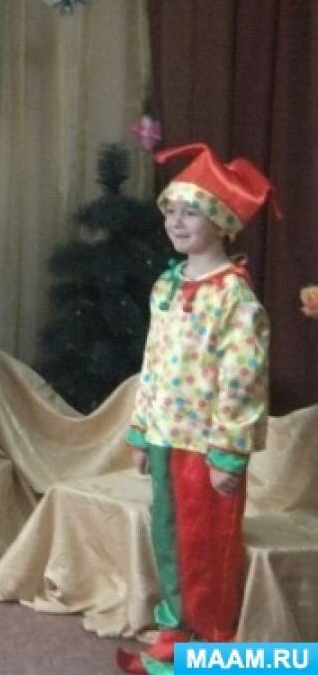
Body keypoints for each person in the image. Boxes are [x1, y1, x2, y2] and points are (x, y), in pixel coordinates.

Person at [116, 143, 276, 675]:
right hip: (165, 435)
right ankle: (175, 629)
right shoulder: (168, 283)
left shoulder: (235, 298)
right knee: (168, 538)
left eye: (191, 212)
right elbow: (153, 362)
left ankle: (210, 646)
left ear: (222, 222)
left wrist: (229, 452)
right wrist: (141, 430)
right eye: (171, 210)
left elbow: (242, 380)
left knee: (208, 548)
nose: (176, 222)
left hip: (205, 448)